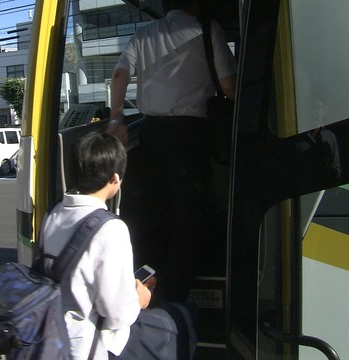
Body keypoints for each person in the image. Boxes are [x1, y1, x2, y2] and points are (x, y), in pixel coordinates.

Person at [108, 0, 237, 302]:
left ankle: (146, 290)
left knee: (155, 214)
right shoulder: (207, 29)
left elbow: (119, 75)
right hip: (190, 136)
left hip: (151, 134)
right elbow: (229, 87)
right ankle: (175, 298)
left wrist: (116, 119)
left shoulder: (144, 33)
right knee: (188, 217)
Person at [39, 132, 196, 359]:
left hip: (52, 335)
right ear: (115, 179)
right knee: (182, 318)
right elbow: (118, 315)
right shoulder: (110, 228)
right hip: (90, 346)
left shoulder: (53, 213)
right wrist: (140, 298)